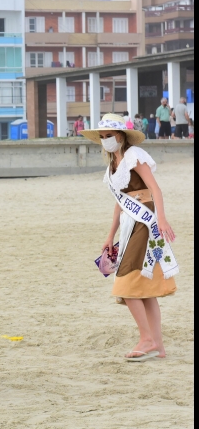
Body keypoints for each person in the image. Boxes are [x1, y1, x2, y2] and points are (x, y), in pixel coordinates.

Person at [80, 114, 178, 362]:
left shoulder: (135, 155)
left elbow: (154, 188)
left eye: (109, 136)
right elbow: (118, 203)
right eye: (102, 137)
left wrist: (162, 219)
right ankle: (158, 346)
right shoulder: (112, 165)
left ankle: (147, 339)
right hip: (128, 223)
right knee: (145, 291)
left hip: (145, 221)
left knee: (124, 282)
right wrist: (109, 236)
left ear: (121, 136)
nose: (105, 140)